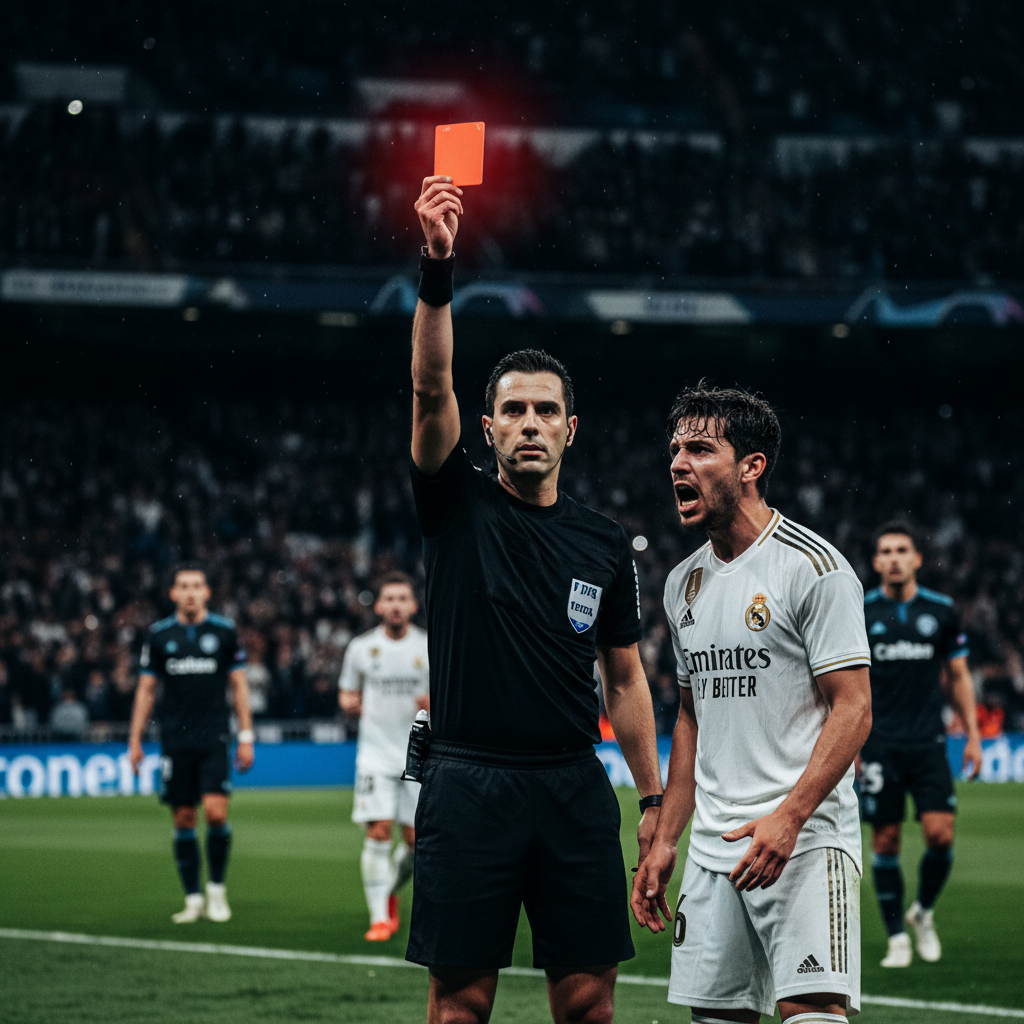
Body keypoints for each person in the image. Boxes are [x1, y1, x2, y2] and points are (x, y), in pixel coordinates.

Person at [408, 175, 664, 1024]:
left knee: (590, 1005)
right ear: (486, 429)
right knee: (460, 1007)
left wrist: (655, 799)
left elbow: (624, 681)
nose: (526, 422)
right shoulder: (455, 503)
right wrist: (438, 266)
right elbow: (429, 387)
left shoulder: (603, 541)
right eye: (510, 410)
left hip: (571, 787)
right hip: (467, 780)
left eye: (543, 411)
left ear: (569, 429)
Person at [632, 384, 873, 1024]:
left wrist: (789, 818)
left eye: (701, 449)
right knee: (715, 1018)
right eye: (676, 449)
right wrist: (665, 838)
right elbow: (689, 717)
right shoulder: (683, 582)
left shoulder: (814, 568)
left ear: (751, 466)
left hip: (804, 838)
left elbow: (853, 709)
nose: (679, 463)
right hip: (714, 847)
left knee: (813, 1013)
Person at [860, 522, 982, 968]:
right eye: (886, 551)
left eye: (902, 550)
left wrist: (971, 735)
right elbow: (847, 684)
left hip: (929, 742)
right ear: (876, 562)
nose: (893, 557)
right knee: (886, 840)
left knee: (940, 834)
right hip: (879, 744)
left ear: (916, 559)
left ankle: (923, 912)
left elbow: (960, 675)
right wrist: (851, 745)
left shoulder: (942, 610)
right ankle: (896, 937)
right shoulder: (861, 610)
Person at [128, 564, 254, 923]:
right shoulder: (158, 635)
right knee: (184, 818)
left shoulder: (225, 632)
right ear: (173, 594)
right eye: (183, 586)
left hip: (215, 737)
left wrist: (246, 736)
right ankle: (193, 898)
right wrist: (134, 740)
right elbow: (147, 689)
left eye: (197, 585)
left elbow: (239, 686)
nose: (190, 592)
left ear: (207, 592)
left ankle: (216, 890)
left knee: (216, 813)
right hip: (175, 740)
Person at [339, 571, 429, 942]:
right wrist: (351, 704)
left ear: (412, 605)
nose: (395, 605)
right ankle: (379, 917)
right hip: (374, 754)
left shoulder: (428, 646)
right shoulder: (361, 648)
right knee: (378, 832)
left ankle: (388, 891)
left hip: (417, 757)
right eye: (388, 598)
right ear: (378, 606)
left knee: (416, 842)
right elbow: (346, 694)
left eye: (401, 598)